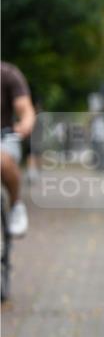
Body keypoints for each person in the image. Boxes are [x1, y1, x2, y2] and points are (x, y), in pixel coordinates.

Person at [1, 62, 36, 237]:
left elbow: (25, 109)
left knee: (3, 161)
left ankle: (16, 206)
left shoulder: (8, 74)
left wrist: (26, 123)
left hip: (4, 137)